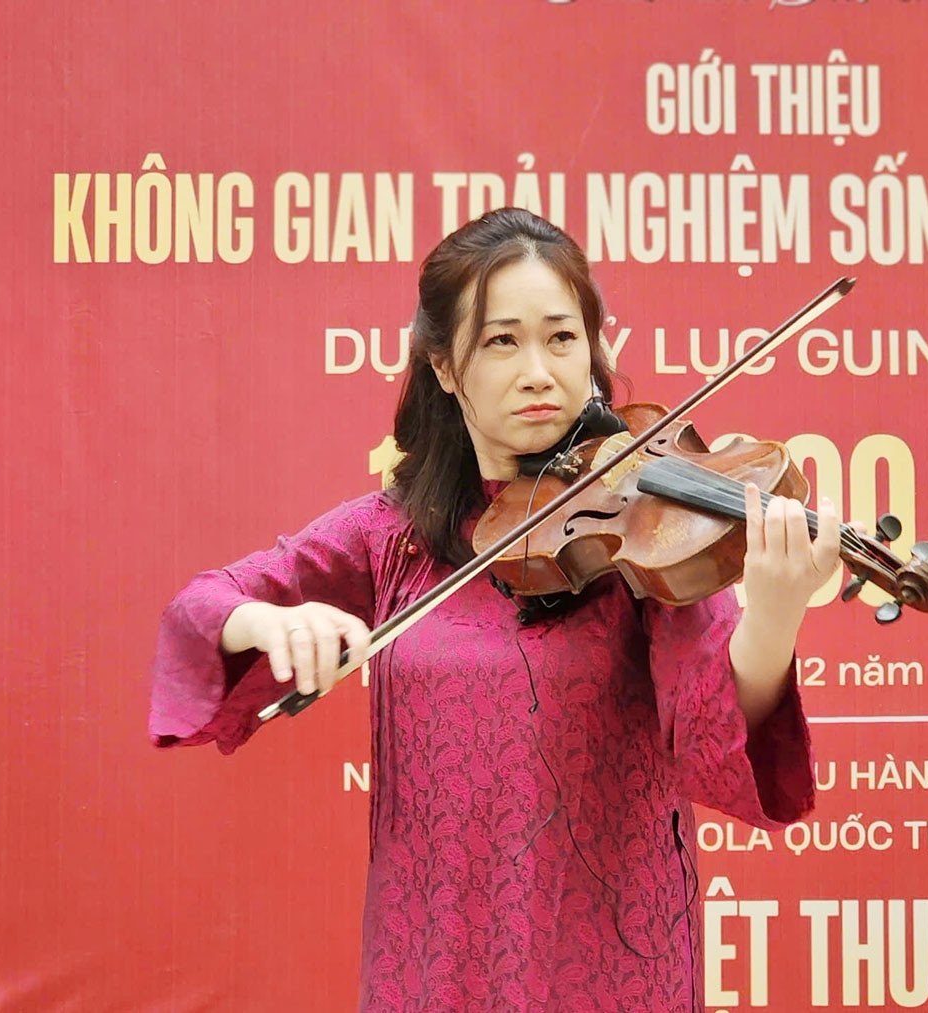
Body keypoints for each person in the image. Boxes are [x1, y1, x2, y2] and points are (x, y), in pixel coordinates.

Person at [148, 208, 838, 1011]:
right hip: (434, 958)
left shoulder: (643, 528)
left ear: (594, 349)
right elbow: (202, 607)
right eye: (502, 341)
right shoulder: (393, 534)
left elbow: (713, 744)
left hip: (610, 963)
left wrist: (774, 618)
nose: (539, 372)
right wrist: (270, 622)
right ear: (445, 367)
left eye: (562, 337)